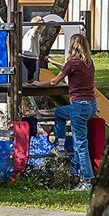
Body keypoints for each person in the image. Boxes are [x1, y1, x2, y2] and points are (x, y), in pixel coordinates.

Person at [43, 33, 98, 189]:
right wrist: (54, 62)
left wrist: (38, 85)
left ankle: (87, 180)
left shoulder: (72, 63)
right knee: (59, 113)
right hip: (90, 105)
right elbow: (67, 69)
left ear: (71, 46)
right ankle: (60, 146)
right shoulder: (88, 62)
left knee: (81, 144)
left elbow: (54, 81)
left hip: (79, 106)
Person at [21, 15, 47, 83]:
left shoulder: (37, 34)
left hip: (31, 54)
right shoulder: (32, 32)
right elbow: (35, 29)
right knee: (31, 69)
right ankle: (29, 80)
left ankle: (30, 80)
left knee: (32, 70)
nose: (43, 29)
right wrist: (39, 22)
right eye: (42, 28)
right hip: (29, 54)